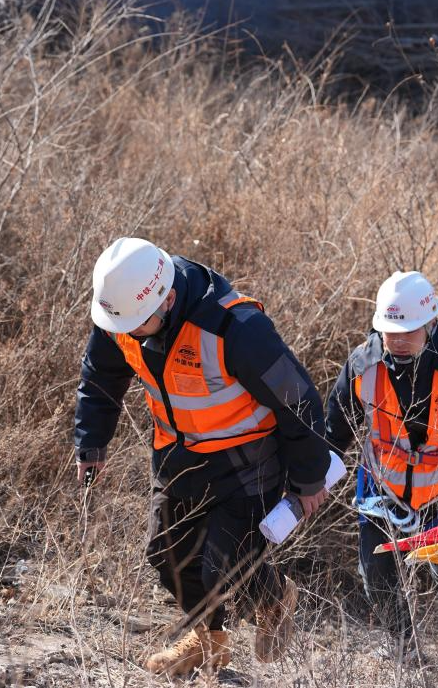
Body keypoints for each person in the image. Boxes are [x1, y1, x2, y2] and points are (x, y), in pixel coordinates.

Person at [74, 238, 330, 675]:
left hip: (248, 460)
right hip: (176, 455)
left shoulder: (236, 328)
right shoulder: (122, 313)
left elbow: (299, 401)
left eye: (139, 325)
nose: (129, 334)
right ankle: (208, 643)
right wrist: (91, 443)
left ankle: (273, 598)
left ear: (169, 299)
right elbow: (100, 378)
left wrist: (309, 481)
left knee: (221, 567)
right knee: (168, 556)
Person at [325, 271, 438, 666]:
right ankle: (405, 651)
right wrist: (308, 482)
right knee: (376, 576)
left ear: (431, 324)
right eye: (389, 331)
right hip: (382, 490)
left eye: (407, 331)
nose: (397, 340)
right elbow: (333, 433)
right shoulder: (360, 366)